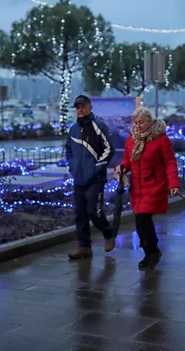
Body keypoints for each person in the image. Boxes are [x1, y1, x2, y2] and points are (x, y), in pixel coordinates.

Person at [114, 107, 180, 269]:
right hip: (137, 188)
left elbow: (170, 162)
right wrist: (121, 167)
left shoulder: (161, 139)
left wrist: (174, 184)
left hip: (154, 185)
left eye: (141, 122)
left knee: (143, 217)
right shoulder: (131, 140)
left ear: (150, 122)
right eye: (135, 122)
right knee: (139, 221)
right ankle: (150, 252)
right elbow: (127, 161)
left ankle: (152, 251)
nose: (137, 125)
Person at [65, 95, 116, 259]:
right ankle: (84, 247)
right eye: (77, 107)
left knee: (94, 212)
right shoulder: (73, 129)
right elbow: (69, 150)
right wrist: (72, 167)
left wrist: (98, 167)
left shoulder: (99, 126)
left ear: (90, 107)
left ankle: (108, 234)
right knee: (80, 214)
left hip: (95, 179)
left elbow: (109, 149)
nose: (79, 110)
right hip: (78, 179)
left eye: (82, 106)